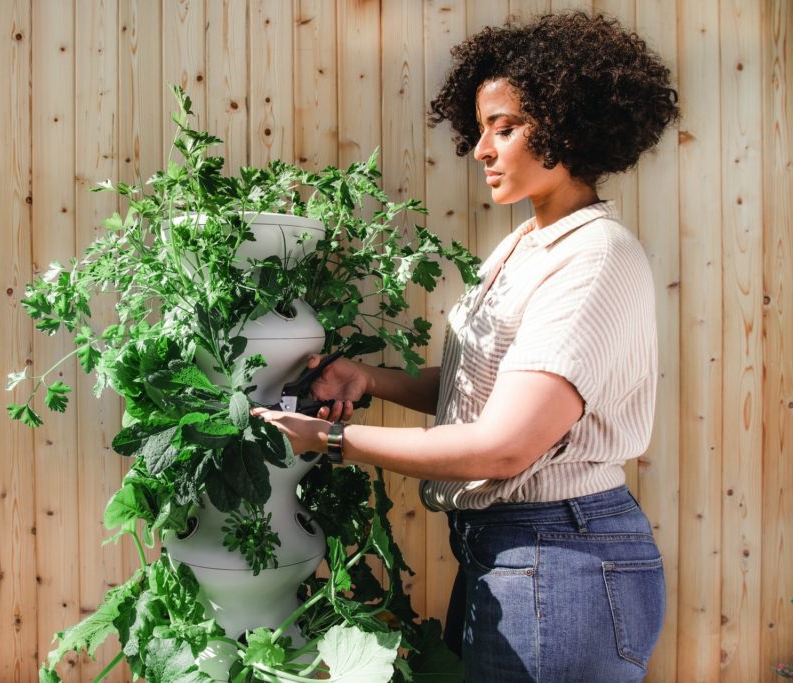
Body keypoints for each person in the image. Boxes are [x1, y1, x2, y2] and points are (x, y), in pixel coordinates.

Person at [251, 10, 679, 683]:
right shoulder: (525, 247)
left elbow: (505, 445)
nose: (481, 149)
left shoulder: (593, 259)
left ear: (570, 123)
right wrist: (369, 377)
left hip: (559, 558)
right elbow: (485, 390)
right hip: (513, 553)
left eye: (504, 128)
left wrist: (331, 441)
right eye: (480, 129)